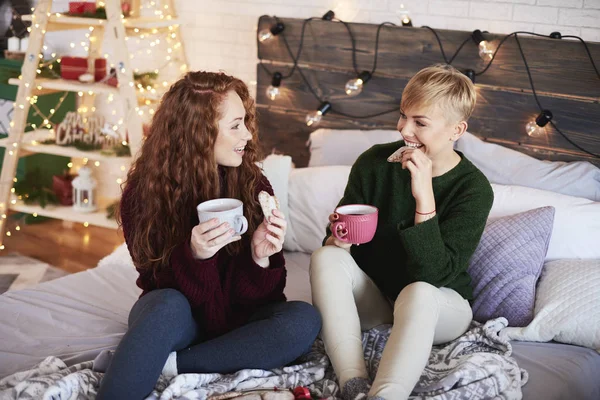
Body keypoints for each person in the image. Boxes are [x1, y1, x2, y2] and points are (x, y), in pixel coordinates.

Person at [95, 71, 322, 400]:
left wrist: (260, 258)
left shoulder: (253, 184)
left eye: (245, 121)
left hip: (240, 320)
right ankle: (166, 363)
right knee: (163, 307)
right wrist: (195, 256)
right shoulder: (145, 193)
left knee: (302, 320)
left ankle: (168, 364)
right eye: (235, 125)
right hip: (180, 316)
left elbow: (267, 298)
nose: (247, 134)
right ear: (199, 133)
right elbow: (154, 279)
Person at [309, 64, 494, 400]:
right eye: (403, 116)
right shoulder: (375, 162)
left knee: (418, 292)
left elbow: (433, 274)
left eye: (420, 122)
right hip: (379, 301)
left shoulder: (473, 188)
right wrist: (338, 240)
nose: (404, 130)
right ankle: (353, 381)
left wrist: (423, 195)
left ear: (456, 129)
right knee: (324, 257)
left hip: (440, 306)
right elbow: (337, 240)